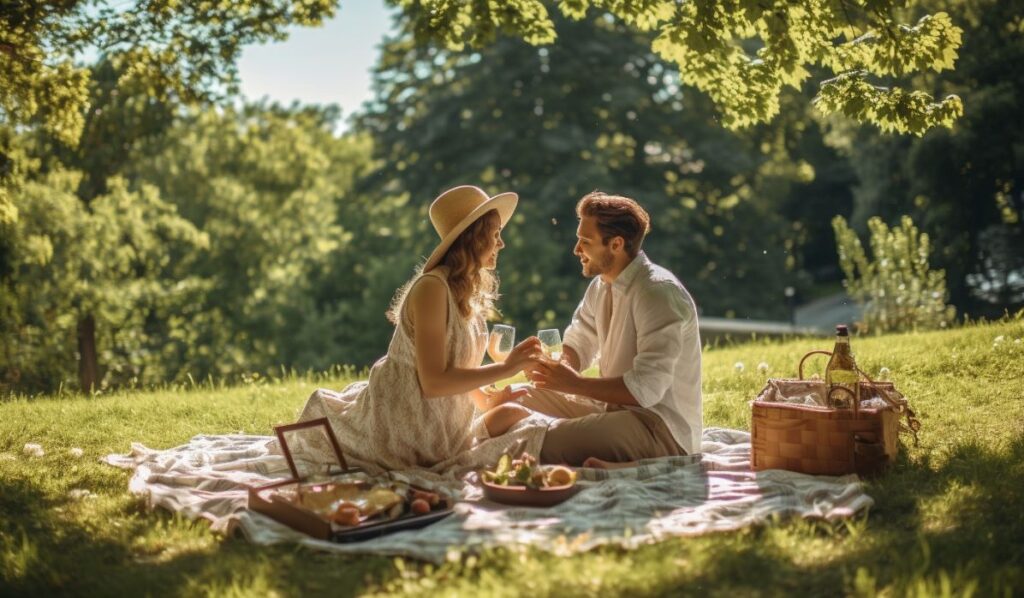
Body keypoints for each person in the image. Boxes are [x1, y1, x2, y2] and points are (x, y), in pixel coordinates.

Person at [296, 185, 545, 473]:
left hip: (443, 426)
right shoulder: (432, 289)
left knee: (519, 416)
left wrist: (489, 400)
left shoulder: (467, 292)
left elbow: (458, 365)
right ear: (474, 239)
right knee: (521, 432)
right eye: (495, 234)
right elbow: (434, 381)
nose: (501, 244)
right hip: (403, 428)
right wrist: (506, 368)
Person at [524, 191, 702, 467]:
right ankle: (613, 464)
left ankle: (624, 465)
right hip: (613, 411)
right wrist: (555, 370)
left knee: (539, 441)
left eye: (585, 241)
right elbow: (580, 339)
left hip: (659, 428)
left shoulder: (657, 293)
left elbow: (646, 389)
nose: (576, 250)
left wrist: (573, 384)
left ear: (616, 244)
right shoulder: (601, 285)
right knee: (514, 400)